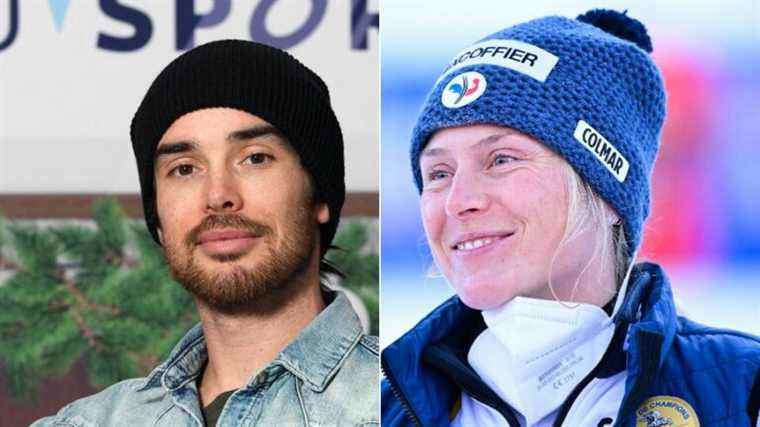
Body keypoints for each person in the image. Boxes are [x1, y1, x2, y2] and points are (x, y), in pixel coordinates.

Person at [381, 9, 760, 427]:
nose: (458, 201)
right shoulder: (379, 409)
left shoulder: (744, 389)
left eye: (501, 160)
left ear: (606, 192)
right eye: (438, 174)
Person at [33, 40, 378, 426]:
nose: (218, 196)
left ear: (319, 195)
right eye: (184, 168)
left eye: (255, 158)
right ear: (159, 219)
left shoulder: (409, 403)